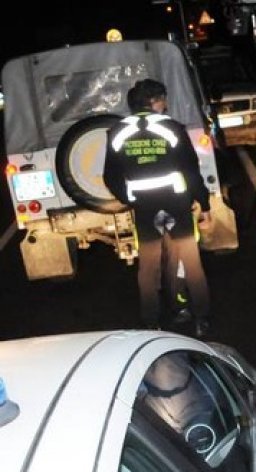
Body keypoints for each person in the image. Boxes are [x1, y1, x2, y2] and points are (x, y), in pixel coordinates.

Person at [102, 78, 212, 337]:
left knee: (148, 266)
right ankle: (200, 318)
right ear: (154, 101)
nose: (165, 105)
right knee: (190, 261)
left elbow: (110, 176)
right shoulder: (172, 128)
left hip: (144, 206)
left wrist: (129, 197)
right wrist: (204, 204)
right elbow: (191, 170)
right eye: (163, 99)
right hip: (176, 203)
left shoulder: (117, 132)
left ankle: (151, 322)